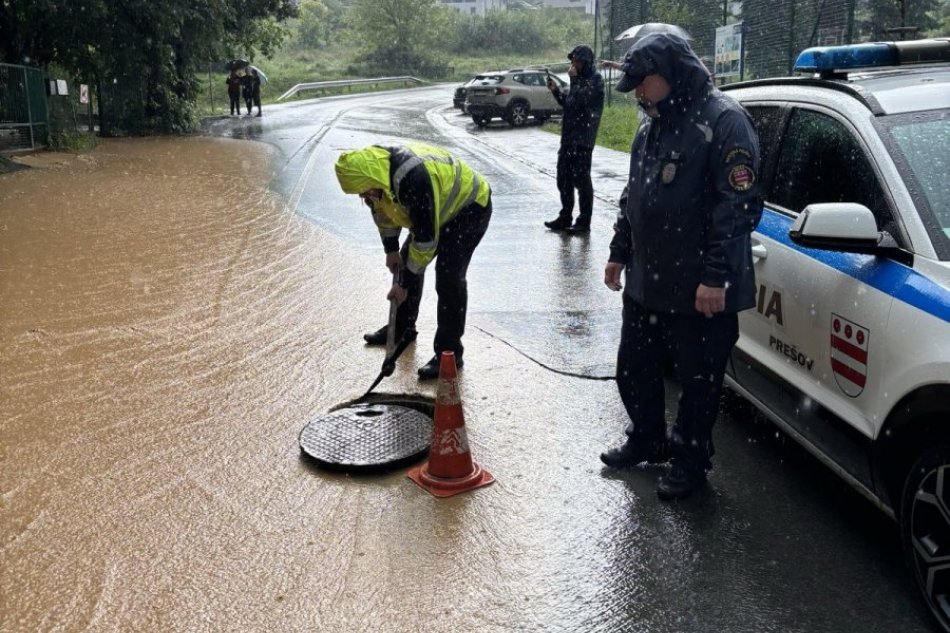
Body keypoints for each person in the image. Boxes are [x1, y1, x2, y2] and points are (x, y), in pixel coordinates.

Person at [599, 32, 763, 500]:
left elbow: (738, 206)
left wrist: (715, 276)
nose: (638, 95)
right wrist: (619, 250)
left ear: (670, 75)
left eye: (643, 84)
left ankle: (690, 460)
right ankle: (647, 437)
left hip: (700, 288)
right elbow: (636, 193)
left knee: (699, 381)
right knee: (634, 367)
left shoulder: (724, 122)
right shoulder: (653, 123)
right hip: (648, 279)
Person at [334, 143, 493, 380]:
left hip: (469, 208)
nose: (364, 196)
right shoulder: (372, 179)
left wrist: (404, 283)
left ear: (372, 179)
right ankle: (402, 329)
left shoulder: (411, 179)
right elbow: (384, 214)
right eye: (360, 193)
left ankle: (449, 354)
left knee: (449, 277)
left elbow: (426, 240)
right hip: (437, 209)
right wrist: (391, 250)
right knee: (408, 261)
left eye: (366, 191)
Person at [544, 44, 605, 234]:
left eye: (577, 61)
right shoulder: (577, 81)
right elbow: (570, 103)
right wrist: (556, 91)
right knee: (563, 178)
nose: (573, 64)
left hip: (583, 139)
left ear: (585, 62)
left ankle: (583, 221)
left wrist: (575, 79)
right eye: (572, 61)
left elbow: (583, 99)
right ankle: (565, 216)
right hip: (569, 137)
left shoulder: (595, 80)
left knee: (582, 180)